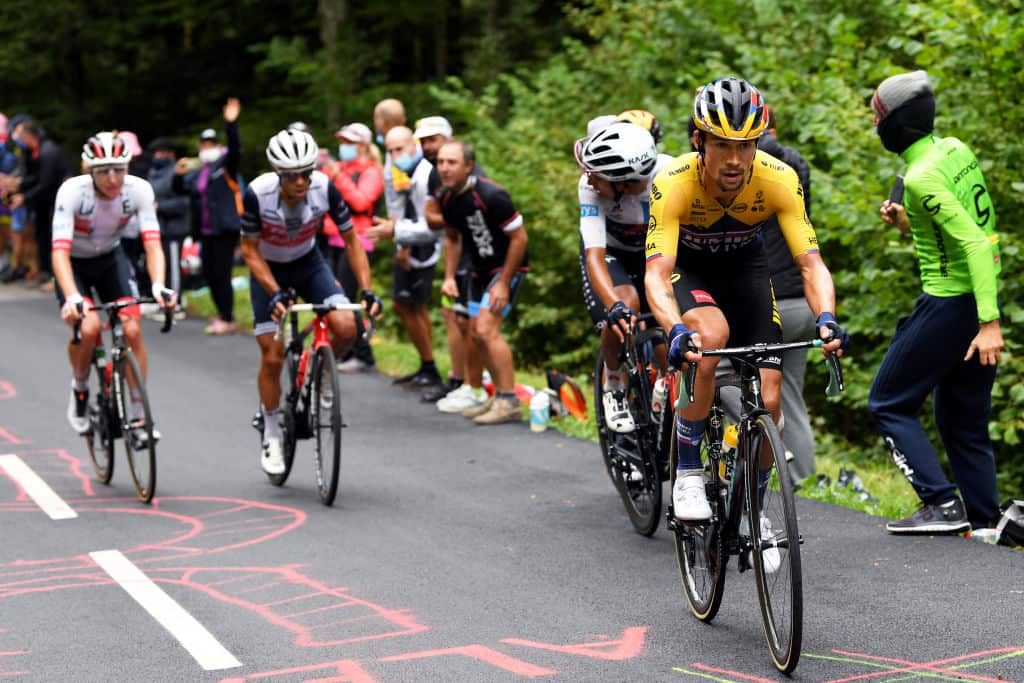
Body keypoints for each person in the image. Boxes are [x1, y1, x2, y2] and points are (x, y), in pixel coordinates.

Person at [645, 77, 847, 521]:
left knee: (771, 402)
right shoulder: (674, 182)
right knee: (710, 338)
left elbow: (811, 264)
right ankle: (689, 473)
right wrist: (675, 328)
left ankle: (751, 507)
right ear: (699, 141)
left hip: (747, 271)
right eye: (722, 145)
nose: (735, 160)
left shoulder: (779, 179)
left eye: (746, 145)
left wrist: (826, 317)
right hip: (690, 270)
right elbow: (657, 273)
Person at [868, 70, 1003, 534]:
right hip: (973, 298)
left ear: (895, 126)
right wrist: (909, 224)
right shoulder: (953, 150)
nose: (874, 127)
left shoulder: (921, 176)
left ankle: (942, 504)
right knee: (961, 419)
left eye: (878, 118)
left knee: (887, 401)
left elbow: (975, 245)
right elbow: (967, 229)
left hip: (952, 305)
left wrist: (990, 324)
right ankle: (987, 522)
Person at [240, 128, 381, 475]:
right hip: (269, 270)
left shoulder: (324, 187)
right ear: (278, 174)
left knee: (348, 326)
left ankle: (316, 369)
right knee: (271, 357)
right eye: (292, 176)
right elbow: (249, 250)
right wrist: (274, 291)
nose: (302, 181)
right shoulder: (258, 193)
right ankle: (272, 430)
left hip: (308, 263)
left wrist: (366, 290)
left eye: (307, 172)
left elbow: (352, 240)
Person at [711, 107, 818, 482]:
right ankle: (802, 475)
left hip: (761, 296)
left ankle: (754, 465)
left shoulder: (737, 170)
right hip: (803, 301)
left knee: (727, 379)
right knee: (789, 394)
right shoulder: (795, 167)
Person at [51, 132, 177, 442]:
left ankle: (137, 414)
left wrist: (160, 285)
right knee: (90, 327)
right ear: (89, 171)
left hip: (110, 259)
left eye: (119, 169)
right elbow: (59, 252)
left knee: (132, 330)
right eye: (103, 171)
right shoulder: (72, 193)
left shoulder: (139, 191)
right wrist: (71, 297)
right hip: (75, 265)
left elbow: (153, 244)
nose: (112, 178)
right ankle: (80, 388)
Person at [574, 121, 673, 434]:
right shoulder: (589, 187)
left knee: (666, 341)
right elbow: (594, 254)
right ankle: (614, 382)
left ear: (624, 182)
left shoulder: (671, 177)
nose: (587, 177)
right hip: (611, 254)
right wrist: (614, 306)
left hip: (654, 255)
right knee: (624, 305)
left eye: (595, 173)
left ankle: (664, 384)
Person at [436, 139, 529, 425]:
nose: (444, 168)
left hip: (506, 269)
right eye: (440, 162)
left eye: (451, 162)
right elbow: (452, 238)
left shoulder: (492, 195)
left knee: (487, 329)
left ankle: (509, 400)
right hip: (478, 270)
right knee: (475, 332)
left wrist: (503, 282)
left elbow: (520, 238)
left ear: (468, 166)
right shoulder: (447, 198)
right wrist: (449, 276)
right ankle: (498, 397)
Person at [367, 125, 443, 389]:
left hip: (422, 245)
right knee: (402, 304)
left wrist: (396, 232)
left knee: (414, 304)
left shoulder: (426, 174)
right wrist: (400, 242)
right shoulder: (403, 171)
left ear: (413, 145)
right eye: (390, 151)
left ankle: (430, 365)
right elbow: (400, 206)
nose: (395, 154)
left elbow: (431, 224)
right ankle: (426, 364)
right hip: (407, 240)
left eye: (399, 149)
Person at [174, 98, 243, 335]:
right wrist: (177, 175)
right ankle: (223, 313)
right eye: (203, 144)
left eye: (211, 143)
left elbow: (235, 149)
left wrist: (230, 124)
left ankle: (227, 316)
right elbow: (181, 189)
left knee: (222, 274)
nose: (207, 148)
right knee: (209, 273)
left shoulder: (224, 166)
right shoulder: (199, 171)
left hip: (224, 228)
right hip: (205, 231)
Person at [328, 122, 384, 374]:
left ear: (363, 145)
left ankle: (364, 355)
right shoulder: (338, 168)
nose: (343, 148)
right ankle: (347, 350)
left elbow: (361, 202)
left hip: (358, 242)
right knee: (337, 298)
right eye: (341, 143)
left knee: (348, 301)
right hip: (333, 239)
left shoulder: (371, 171)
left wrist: (338, 177)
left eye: (349, 143)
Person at [9, 118, 68, 289]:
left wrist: (24, 197)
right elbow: (34, 177)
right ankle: (44, 273)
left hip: (55, 203)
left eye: (20, 137)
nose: (18, 142)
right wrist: (18, 183)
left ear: (29, 136)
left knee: (52, 239)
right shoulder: (33, 152)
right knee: (41, 236)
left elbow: (46, 183)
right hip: (43, 203)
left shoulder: (48, 151)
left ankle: (54, 276)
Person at [147, 137, 191, 303]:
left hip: (175, 228)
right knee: (162, 266)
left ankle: (176, 301)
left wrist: (160, 207)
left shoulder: (177, 172)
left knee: (173, 267)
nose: (157, 156)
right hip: (160, 228)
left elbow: (184, 203)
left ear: (169, 154)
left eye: (160, 153)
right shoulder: (153, 174)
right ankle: (163, 300)